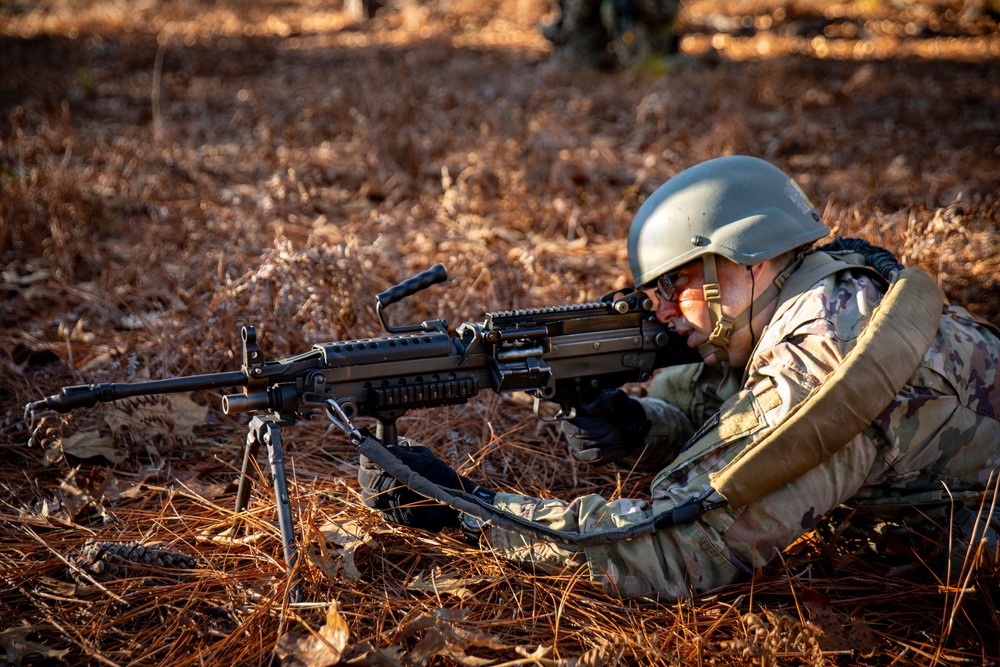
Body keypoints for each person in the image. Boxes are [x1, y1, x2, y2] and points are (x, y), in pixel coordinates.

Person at [359, 155, 1000, 599]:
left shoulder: (825, 353)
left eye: (677, 282)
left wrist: (463, 510)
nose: (662, 310)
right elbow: (730, 416)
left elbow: (676, 553)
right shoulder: (812, 290)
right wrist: (639, 425)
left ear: (745, 256)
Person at [543, 0, 682, 68]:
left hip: (642, 23)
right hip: (598, 25)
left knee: (641, 68)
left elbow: (663, 12)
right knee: (563, 66)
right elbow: (580, 10)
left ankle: (694, 61)